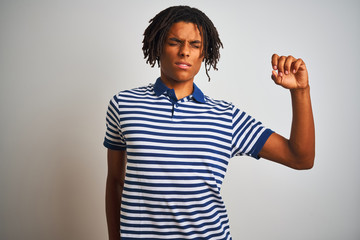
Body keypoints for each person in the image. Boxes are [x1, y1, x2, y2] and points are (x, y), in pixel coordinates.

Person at [103, 5, 315, 240]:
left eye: (194, 45)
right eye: (174, 42)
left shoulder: (226, 116)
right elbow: (115, 181)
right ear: (158, 45)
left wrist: (301, 91)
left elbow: (301, 158)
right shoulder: (123, 104)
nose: (185, 52)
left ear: (204, 53)